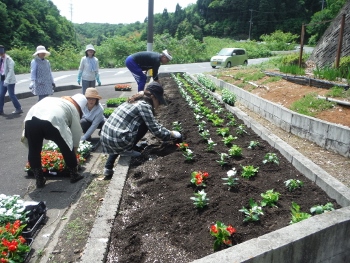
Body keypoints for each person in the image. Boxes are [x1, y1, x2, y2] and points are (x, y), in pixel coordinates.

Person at [100, 81, 181, 177]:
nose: (158, 105)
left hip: (107, 137)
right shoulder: (144, 105)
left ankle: (108, 167)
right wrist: (172, 134)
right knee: (145, 125)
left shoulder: (136, 99)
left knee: (128, 127)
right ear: (153, 97)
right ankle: (128, 150)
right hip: (118, 140)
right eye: (159, 101)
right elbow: (155, 129)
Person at [21, 93, 87, 188]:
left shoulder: (55, 100)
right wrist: (74, 156)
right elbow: (75, 136)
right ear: (80, 108)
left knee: (34, 150)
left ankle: (39, 179)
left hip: (31, 119)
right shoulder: (73, 108)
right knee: (66, 146)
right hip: (52, 120)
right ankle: (74, 175)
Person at [0, 45, 23, 115]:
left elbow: (10, 71)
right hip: (2, 79)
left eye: (2, 53)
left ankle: (18, 108)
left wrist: (7, 80)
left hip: (10, 80)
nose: (1, 55)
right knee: (1, 94)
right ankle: (0, 110)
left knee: (11, 95)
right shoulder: (0, 59)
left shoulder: (9, 60)